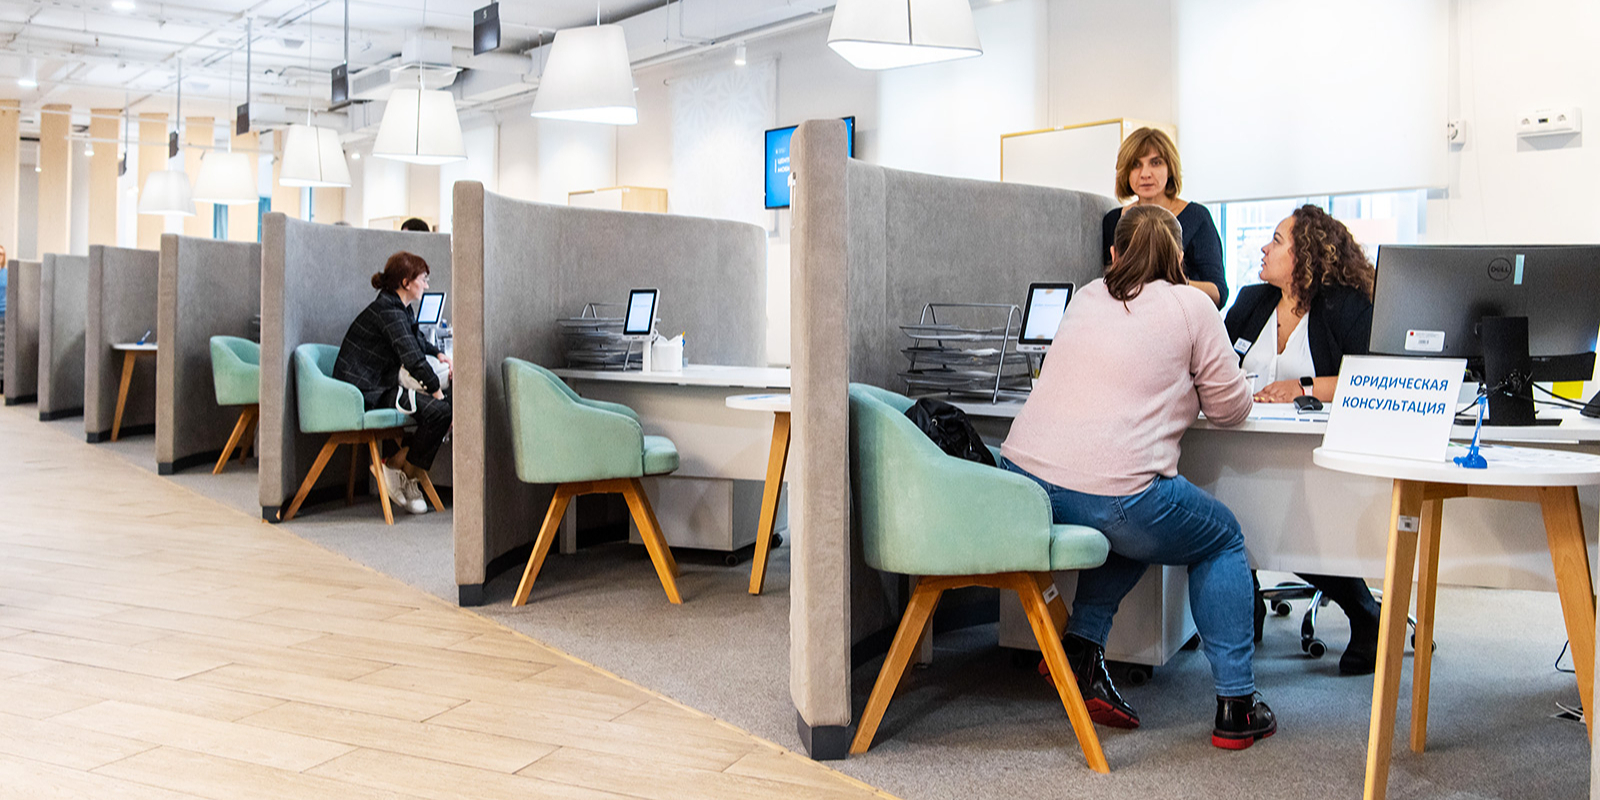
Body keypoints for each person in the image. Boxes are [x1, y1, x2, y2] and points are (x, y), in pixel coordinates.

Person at [1000, 204, 1276, 750]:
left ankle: (1082, 648)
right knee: (1220, 537)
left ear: (1114, 253)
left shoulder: (1086, 295)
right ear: (1180, 257)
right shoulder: (1193, 305)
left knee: (1132, 516)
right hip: (1115, 497)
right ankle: (1237, 705)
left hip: (1026, 484)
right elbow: (1230, 409)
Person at [1225, 204, 1384, 675]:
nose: (1264, 248)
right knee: (1227, 502)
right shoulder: (1252, 302)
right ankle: (1245, 603)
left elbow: (1372, 376)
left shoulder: (1344, 306)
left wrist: (1304, 387)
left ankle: (1365, 612)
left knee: (1292, 523)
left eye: (1276, 240)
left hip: (1318, 452)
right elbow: (1216, 362)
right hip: (1241, 441)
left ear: (1306, 254)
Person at [333, 251, 453, 515]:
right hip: (367, 390)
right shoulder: (388, 311)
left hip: (381, 383)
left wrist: (438, 354)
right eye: (423, 279)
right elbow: (413, 359)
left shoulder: (399, 308)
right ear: (406, 282)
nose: (426, 285)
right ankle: (402, 471)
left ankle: (400, 469)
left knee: (447, 406)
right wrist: (437, 392)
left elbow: (416, 341)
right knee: (441, 409)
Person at [1101, 128, 1228, 308]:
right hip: (1127, 317)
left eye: (1156, 163)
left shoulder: (1197, 217)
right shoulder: (1112, 221)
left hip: (1181, 316)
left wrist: (1171, 282)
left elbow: (1218, 293)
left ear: (1170, 168)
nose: (1145, 174)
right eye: (1135, 165)